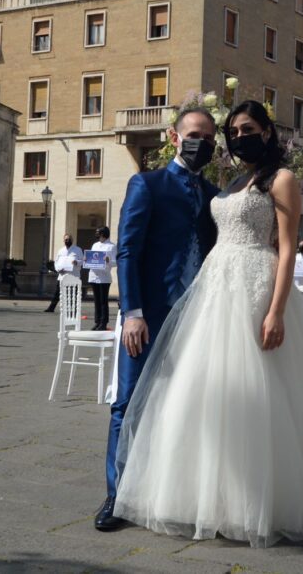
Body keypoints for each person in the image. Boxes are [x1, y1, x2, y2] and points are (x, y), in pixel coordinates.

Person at [110, 100, 303, 547]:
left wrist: (275, 310)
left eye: (247, 128)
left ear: (268, 132)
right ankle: (203, 493)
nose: (237, 137)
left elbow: (288, 250)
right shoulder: (229, 182)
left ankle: (259, 496)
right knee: (207, 393)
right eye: (231, 131)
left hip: (256, 289)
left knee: (261, 392)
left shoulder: (283, 179)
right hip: (215, 292)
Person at [97, 106, 220, 532]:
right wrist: (132, 312)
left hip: (197, 320)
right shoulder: (146, 184)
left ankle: (172, 492)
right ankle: (117, 495)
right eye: (193, 134)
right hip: (147, 317)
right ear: (173, 136)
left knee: (186, 405)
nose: (199, 142)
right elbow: (128, 250)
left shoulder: (214, 195)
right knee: (129, 402)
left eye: (207, 137)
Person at [44, 234, 83, 313]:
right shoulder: (61, 250)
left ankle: (74, 310)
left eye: (68, 239)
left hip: (73, 275)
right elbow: (56, 262)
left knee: (74, 294)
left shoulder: (78, 250)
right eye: (65, 239)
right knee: (57, 292)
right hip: (62, 275)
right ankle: (51, 308)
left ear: (72, 240)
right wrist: (58, 269)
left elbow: (82, 261)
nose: (67, 241)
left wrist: (76, 262)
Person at [87, 226, 117, 331]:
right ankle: (97, 321)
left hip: (104, 277)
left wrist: (108, 260)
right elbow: (91, 258)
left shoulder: (112, 246)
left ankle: (104, 322)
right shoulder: (95, 245)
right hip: (94, 275)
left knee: (103, 301)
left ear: (103, 234)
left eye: (98, 232)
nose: (96, 234)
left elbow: (115, 262)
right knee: (96, 300)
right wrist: (87, 259)